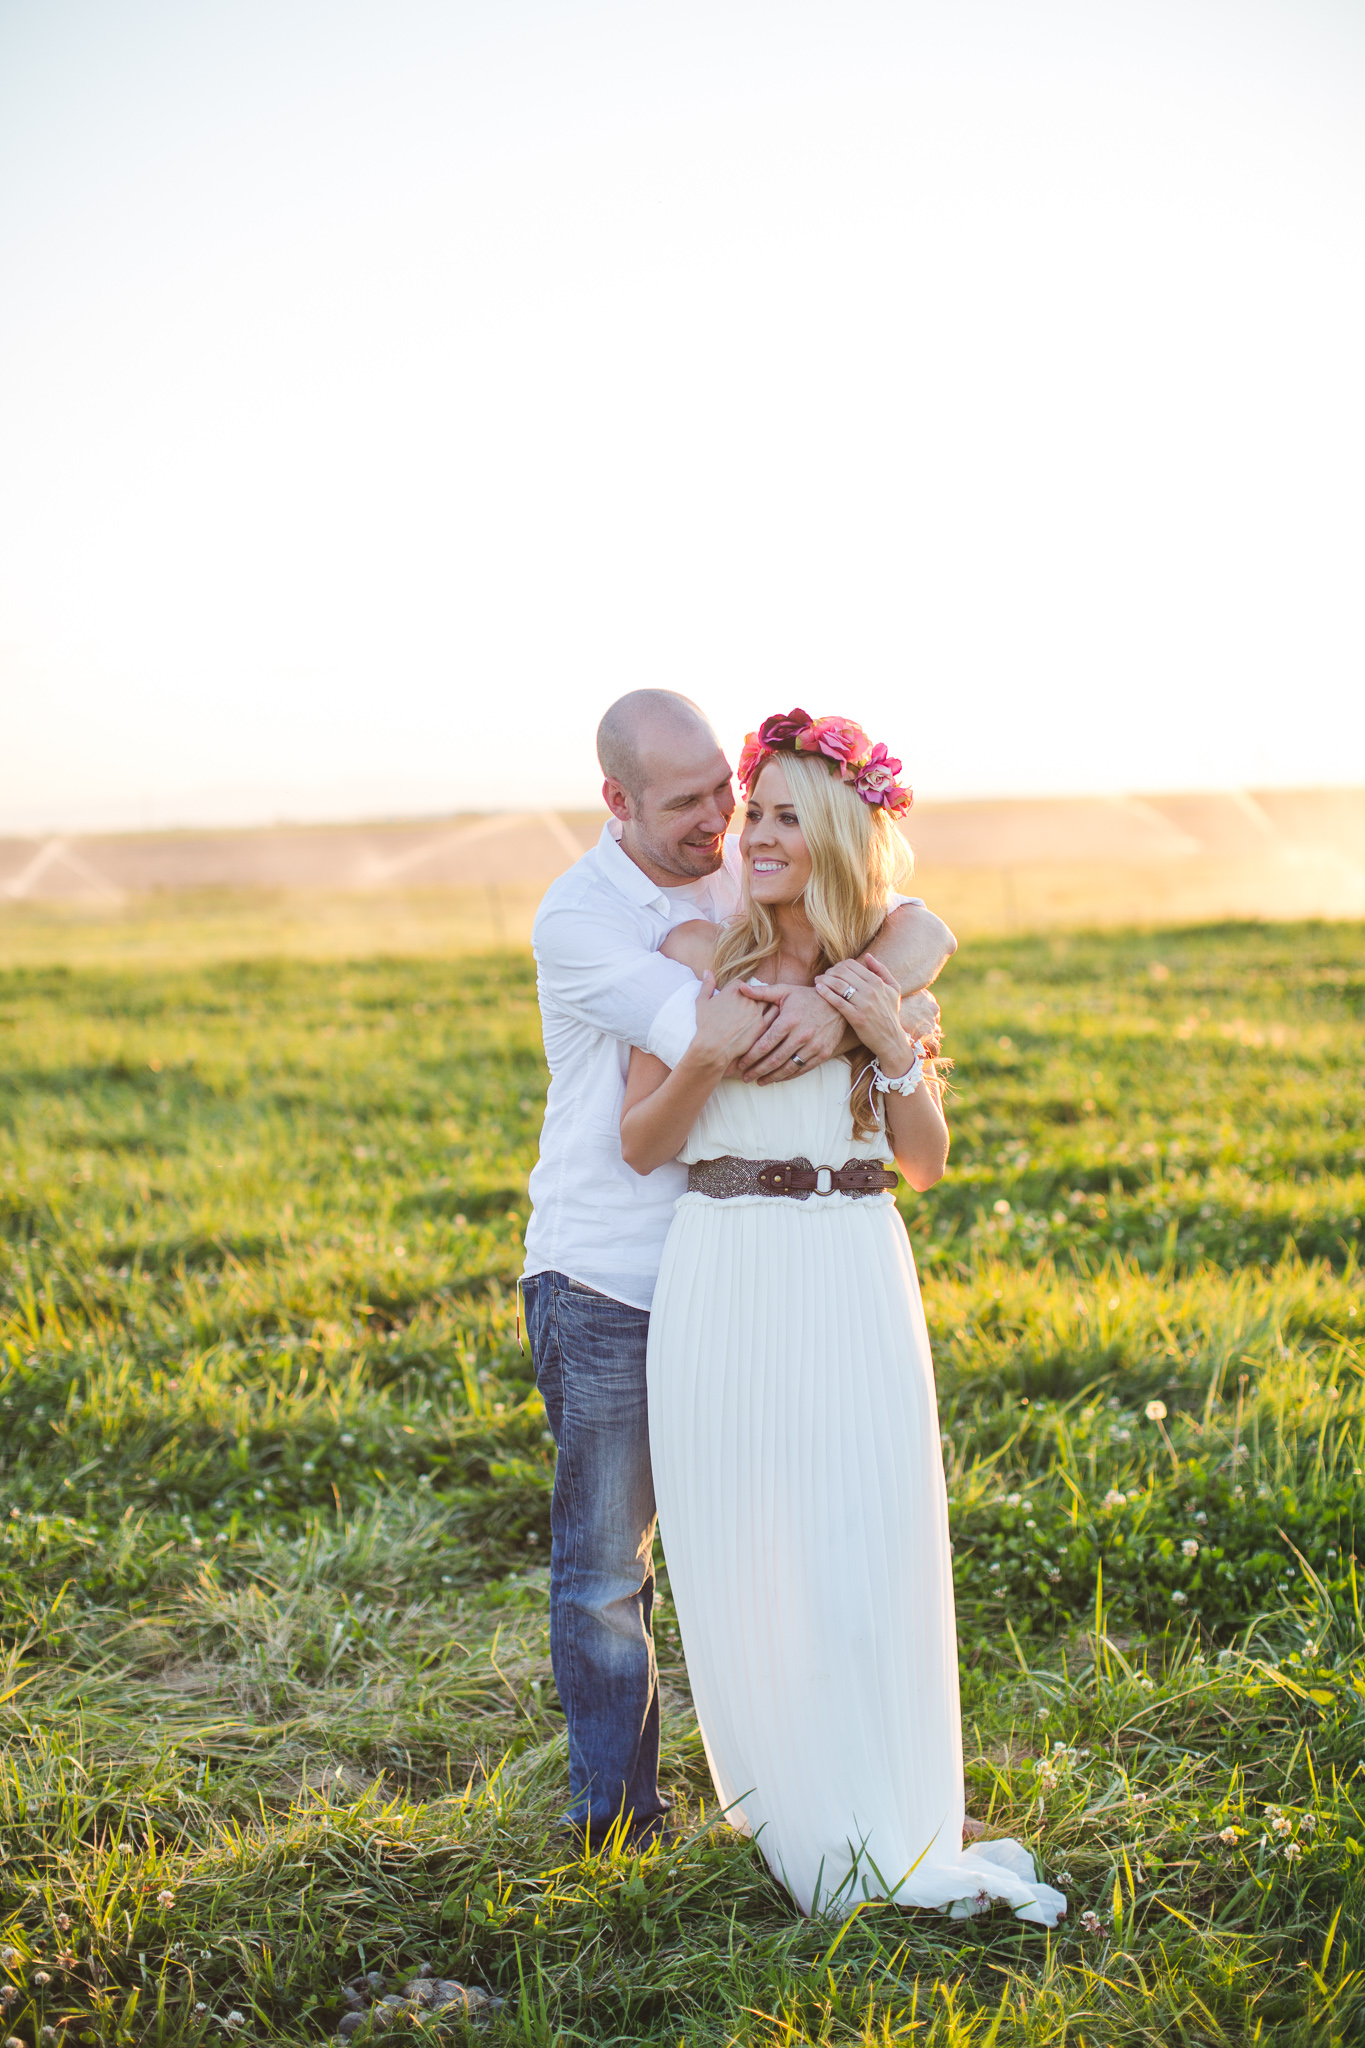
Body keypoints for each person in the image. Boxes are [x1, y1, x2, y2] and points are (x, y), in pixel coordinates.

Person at [620, 708, 1066, 1924]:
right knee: (748, 1536)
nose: (753, 835)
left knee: (860, 1530)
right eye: (751, 813)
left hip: (854, 1268)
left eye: (779, 818)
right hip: (724, 1266)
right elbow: (643, 1140)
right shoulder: (694, 951)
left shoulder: (881, 969)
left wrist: (889, 1042)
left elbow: (922, 1160)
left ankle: (885, 1796)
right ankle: (794, 1805)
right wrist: (705, 1056)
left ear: (829, 835)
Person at [521, 690, 956, 1848]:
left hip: (793, 1268)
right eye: (699, 803)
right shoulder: (589, 923)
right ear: (618, 802)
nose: (728, 823)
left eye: (741, 794)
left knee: (812, 1526)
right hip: (612, 1270)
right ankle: (619, 1819)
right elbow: (728, 1038)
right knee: (612, 1568)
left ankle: (842, 1770)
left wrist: (883, 1003)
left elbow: (911, 916)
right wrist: (846, 1003)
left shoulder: (731, 871)